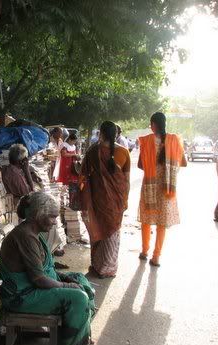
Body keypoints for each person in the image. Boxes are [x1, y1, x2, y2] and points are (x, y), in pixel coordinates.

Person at [0, 192, 96, 345]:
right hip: (21, 296)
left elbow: (44, 269)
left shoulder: (34, 233)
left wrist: (67, 279)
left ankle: (77, 333)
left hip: (33, 287)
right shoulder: (25, 236)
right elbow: (39, 278)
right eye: (52, 217)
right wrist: (66, 285)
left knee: (81, 280)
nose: (54, 222)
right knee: (78, 298)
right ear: (39, 215)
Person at [80, 121, 131, 278]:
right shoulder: (124, 152)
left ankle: (97, 265)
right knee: (112, 232)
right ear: (116, 134)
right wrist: (124, 200)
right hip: (117, 201)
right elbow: (126, 180)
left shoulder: (92, 152)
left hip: (97, 199)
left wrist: (84, 196)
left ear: (100, 133)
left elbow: (82, 177)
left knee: (97, 228)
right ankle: (108, 268)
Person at [137, 112, 187, 267]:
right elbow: (184, 163)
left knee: (146, 219)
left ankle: (145, 251)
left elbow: (140, 165)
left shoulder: (146, 141)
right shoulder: (174, 140)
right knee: (161, 223)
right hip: (167, 187)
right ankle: (156, 256)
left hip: (149, 186)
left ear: (153, 124)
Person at [57, 134, 81, 209]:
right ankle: (62, 198)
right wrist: (74, 154)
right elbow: (64, 154)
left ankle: (68, 197)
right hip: (65, 165)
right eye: (73, 141)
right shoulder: (64, 145)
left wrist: (77, 156)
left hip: (72, 165)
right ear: (70, 140)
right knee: (65, 181)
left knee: (71, 181)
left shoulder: (73, 146)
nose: (74, 143)